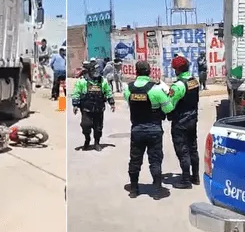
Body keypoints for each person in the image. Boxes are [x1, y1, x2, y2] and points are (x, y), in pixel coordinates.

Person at [124, 61, 174, 200]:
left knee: (135, 160)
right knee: (155, 160)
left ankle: (134, 190)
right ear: (149, 71)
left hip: (137, 130)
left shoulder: (128, 88)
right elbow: (168, 109)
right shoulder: (157, 89)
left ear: (136, 72)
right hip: (154, 130)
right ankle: (157, 190)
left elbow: (130, 104)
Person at [167, 55, 201, 189]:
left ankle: (186, 180)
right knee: (193, 148)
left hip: (180, 121)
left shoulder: (178, 85)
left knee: (182, 150)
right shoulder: (194, 81)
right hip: (193, 119)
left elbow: (170, 105)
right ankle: (196, 177)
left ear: (177, 70)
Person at [72, 61, 115, 151]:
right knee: (85, 125)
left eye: (98, 70)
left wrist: (112, 103)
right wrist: (75, 105)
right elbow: (76, 93)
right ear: (90, 71)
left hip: (99, 108)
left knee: (98, 128)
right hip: (86, 108)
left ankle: (97, 143)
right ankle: (87, 138)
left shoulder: (103, 81)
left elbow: (108, 92)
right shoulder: (82, 81)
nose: (96, 72)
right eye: (94, 70)